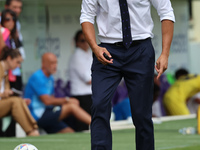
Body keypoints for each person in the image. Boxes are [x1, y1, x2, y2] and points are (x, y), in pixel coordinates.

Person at [80, 0, 175, 149]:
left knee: (142, 113)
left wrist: (165, 54)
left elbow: (166, 12)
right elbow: (86, 16)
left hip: (140, 50)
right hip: (106, 50)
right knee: (99, 105)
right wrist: (94, 47)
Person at [24, 52, 91, 134]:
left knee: (70, 133)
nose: (55, 66)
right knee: (72, 107)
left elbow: (51, 99)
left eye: (56, 62)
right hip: (36, 116)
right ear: (43, 64)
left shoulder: (50, 77)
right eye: (52, 63)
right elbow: (47, 101)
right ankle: (98, 125)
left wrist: (64, 103)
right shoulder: (37, 77)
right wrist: (67, 100)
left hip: (47, 113)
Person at [0, 46, 39, 136]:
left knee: (19, 101)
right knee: (16, 101)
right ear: (9, 58)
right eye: (17, 62)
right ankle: (31, 130)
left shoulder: (5, 72)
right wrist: (3, 94)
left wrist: (21, 103)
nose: (18, 66)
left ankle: (33, 129)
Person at [68, 30, 93, 131]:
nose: (86, 43)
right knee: (83, 128)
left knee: (91, 125)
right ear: (77, 42)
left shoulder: (89, 53)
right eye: (82, 40)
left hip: (89, 94)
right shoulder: (77, 56)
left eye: (87, 40)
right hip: (81, 96)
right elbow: (88, 79)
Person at [1, 9, 24, 96]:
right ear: (2, 20)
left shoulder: (15, 36)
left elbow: (20, 55)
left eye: (13, 19)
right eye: (7, 19)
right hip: (4, 71)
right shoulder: (2, 34)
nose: (11, 22)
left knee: (16, 96)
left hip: (15, 71)